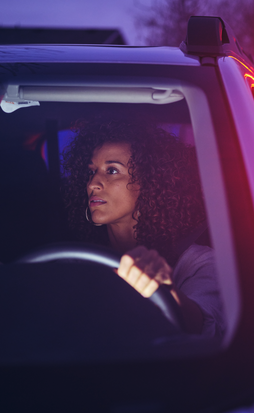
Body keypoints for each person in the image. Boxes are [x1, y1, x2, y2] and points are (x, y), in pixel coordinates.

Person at [61, 119, 224, 338]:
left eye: (111, 171)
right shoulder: (76, 260)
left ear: (150, 182)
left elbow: (203, 326)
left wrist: (165, 290)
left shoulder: (199, 263)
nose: (92, 184)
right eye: (91, 172)